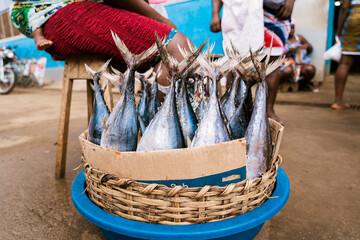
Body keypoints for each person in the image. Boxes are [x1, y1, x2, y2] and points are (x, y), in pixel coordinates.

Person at [10, 0, 193, 86]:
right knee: (179, 47)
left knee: (152, 68)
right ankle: (161, 144)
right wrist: (162, 21)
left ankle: (142, 132)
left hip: (61, 28)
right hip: (73, 16)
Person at [210, 0, 295, 124]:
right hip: (238, 16)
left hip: (274, 13)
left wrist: (290, 2)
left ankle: (268, 110)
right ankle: (232, 109)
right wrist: (215, 13)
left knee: (271, 64)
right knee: (234, 63)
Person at [332, 0, 360, 110]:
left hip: (355, 17)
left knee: (345, 62)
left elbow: (345, 6)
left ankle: (338, 101)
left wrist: (338, 33)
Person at [280, 19, 317, 91]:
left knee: (310, 69)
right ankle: (281, 84)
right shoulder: (281, 39)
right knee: (287, 70)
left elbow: (310, 49)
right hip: (286, 64)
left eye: (293, 27)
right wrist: (288, 52)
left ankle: (304, 84)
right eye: (289, 28)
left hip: (300, 62)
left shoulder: (299, 38)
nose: (291, 30)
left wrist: (307, 46)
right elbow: (276, 57)